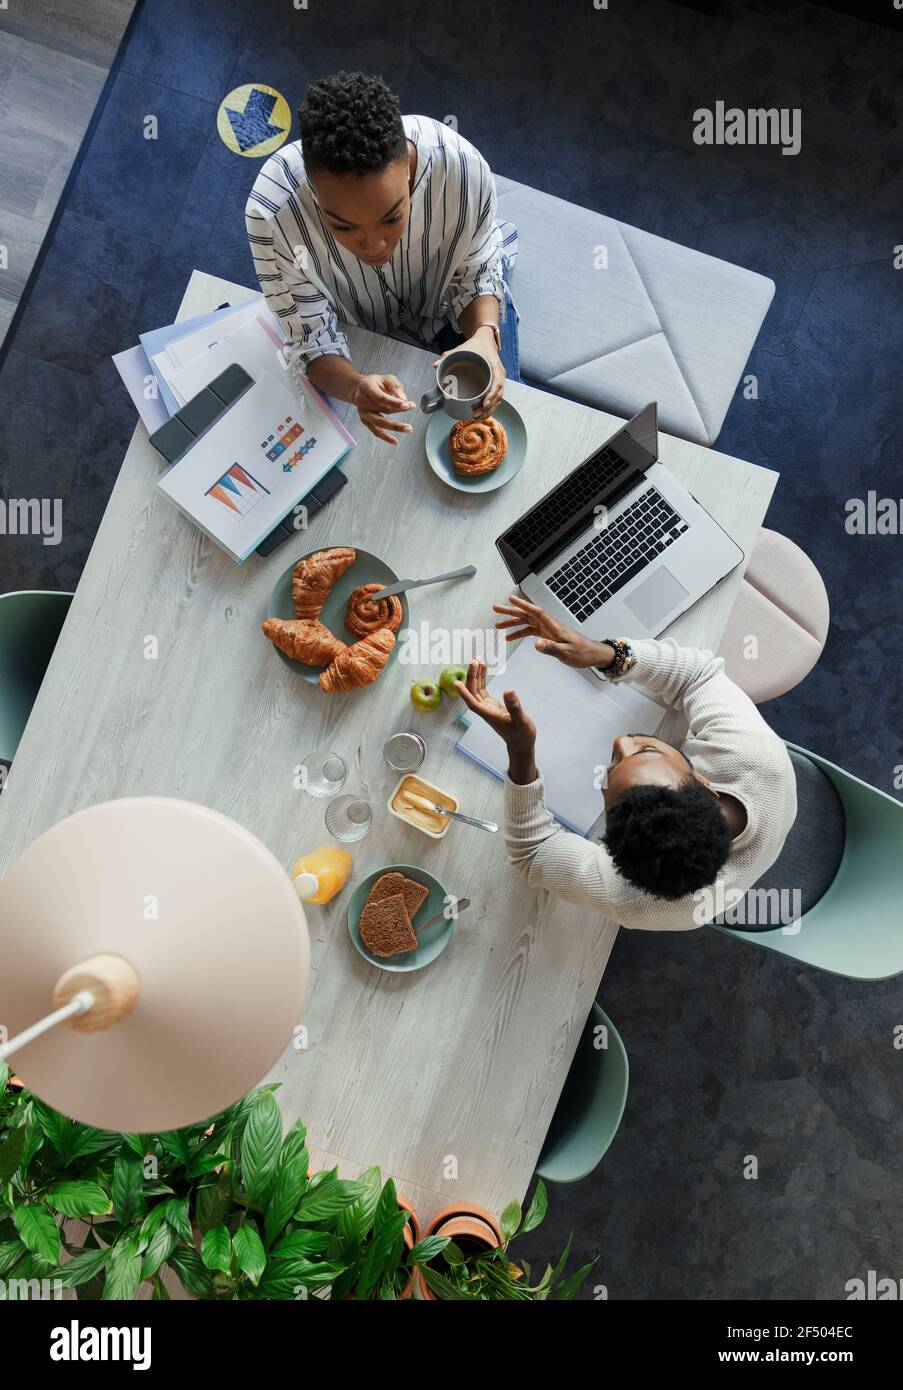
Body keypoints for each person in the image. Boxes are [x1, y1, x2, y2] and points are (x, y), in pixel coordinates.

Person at [455, 596, 798, 930]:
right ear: (705, 786)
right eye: (646, 751)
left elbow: (533, 852)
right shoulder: (750, 753)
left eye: (608, 772)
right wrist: (605, 654)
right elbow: (698, 675)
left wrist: (520, 750)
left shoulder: (635, 904)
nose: (621, 741)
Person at [246, 71, 519, 445]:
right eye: (343, 227)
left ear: (408, 172)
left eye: (392, 218)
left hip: (450, 307)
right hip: (358, 333)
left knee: (503, 422)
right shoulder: (273, 216)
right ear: (311, 191)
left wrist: (485, 335)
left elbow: (477, 271)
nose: (374, 245)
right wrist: (357, 388)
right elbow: (310, 338)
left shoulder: (460, 169)